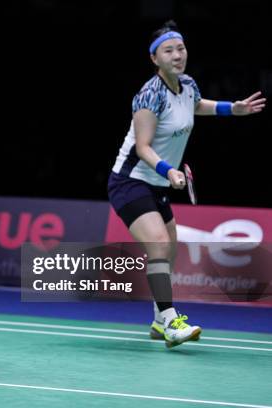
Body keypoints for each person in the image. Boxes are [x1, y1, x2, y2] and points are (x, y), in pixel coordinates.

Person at [108, 21, 265, 348]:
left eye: (180, 48)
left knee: (170, 249)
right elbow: (143, 147)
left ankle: (156, 319)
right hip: (130, 181)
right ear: (155, 58)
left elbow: (195, 106)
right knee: (159, 246)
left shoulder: (188, 84)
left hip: (159, 184)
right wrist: (169, 171)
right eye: (169, 50)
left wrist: (231, 110)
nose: (178, 55)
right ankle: (169, 321)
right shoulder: (149, 95)